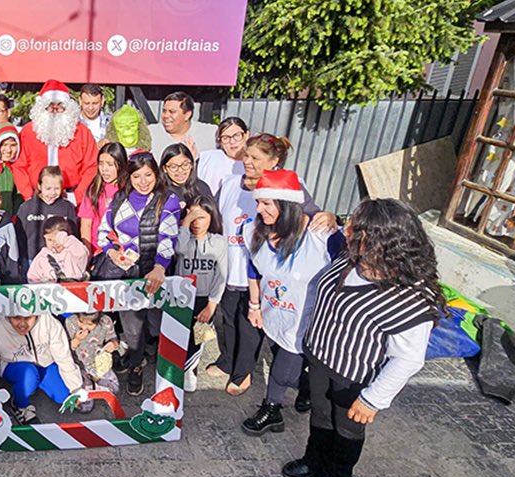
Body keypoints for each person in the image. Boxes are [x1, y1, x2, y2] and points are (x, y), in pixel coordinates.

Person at [282, 199, 443, 477]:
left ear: (381, 239)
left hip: (355, 376)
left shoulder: (409, 298)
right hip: (321, 359)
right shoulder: (351, 257)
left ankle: (337, 474)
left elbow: (408, 359)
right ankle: (314, 460)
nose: (347, 229)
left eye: (355, 227)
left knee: (347, 427)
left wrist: (372, 400)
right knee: (321, 415)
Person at [213, 134, 335, 395]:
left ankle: (248, 373)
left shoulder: (289, 187)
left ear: (274, 161)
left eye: (255, 158)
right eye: (246, 155)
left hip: (270, 275)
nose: (247, 161)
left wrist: (329, 216)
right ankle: (230, 362)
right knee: (230, 319)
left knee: (256, 328)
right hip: (235, 268)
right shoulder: (232, 183)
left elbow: (313, 217)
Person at [241, 170, 344, 437]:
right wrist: (254, 305)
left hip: (308, 319)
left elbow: (350, 266)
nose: (258, 209)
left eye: (266, 203)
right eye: (257, 202)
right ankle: (308, 386)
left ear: (287, 205)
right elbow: (253, 268)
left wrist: (335, 219)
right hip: (273, 313)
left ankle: (272, 409)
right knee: (284, 359)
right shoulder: (254, 231)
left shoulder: (321, 235)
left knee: (283, 371)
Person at [95, 151, 181, 396]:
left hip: (154, 272)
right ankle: (136, 364)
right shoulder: (120, 198)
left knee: (154, 323)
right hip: (126, 272)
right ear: (128, 177)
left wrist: (160, 266)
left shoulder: (168, 200)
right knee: (132, 324)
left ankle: (150, 354)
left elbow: (168, 237)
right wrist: (112, 252)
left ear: (156, 174)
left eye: (148, 175)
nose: (143, 182)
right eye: (136, 176)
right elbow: (103, 232)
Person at [0, 314, 83, 425]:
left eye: (28, 318)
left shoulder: (49, 321)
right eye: (16, 318)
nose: (22, 324)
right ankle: (20, 405)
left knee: (64, 396)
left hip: (45, 363)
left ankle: (34, 384)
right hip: (14, 365)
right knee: (29, 375)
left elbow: (63, 356)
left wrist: (76, 388)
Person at [12, 80, 98, 204]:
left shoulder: (82, 132)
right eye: (50, 105)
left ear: (68, 108)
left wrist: (77, 196)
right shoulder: (28, 132)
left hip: (72, 197)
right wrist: (29, 197)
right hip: (36, 197)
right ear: (42, 107)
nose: (55, 109)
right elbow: (19, 167)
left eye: (60, 105)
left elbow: (92, 166)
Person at [174, 194, 228, 393]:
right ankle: (177, 368)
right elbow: (178, 248)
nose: (197, 223)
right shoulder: (184, 238)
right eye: (192, 217)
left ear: (212, 217)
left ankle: (191, 370)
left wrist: (212, 305)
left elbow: (221, 276)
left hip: (204, 299)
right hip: (181, 296)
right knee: (179, 335)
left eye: (202, 217)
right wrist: (186, 221)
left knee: (197, 337)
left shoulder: (219, 243)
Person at [18, 166, 78, 265]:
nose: (52, 193)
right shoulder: (27, 207)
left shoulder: (67, 207)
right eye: (48, 188)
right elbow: (19, 235)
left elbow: (73, 234)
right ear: (39, 186)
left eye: (57, 188)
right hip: (31, 258)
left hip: (59, 258)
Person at [78, 143, 127, 255]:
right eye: (101, 164)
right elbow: (86, 224)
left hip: (122, 250)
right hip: (97, 251)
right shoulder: (94, 190)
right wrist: (88, 254)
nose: (104, 169)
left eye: (110, 164)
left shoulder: (128, 189)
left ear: (121, 164)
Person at [65, 312, 121, 406]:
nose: (84, 327)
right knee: (85, 405)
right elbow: (65, 349)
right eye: (81, 322)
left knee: (114, 389)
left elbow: (114, 339)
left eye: (89, 325)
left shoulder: (105, 321)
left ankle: (96, 384)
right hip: (79, 365)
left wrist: (113, 344)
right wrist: (77, 340)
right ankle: (88, 384)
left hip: (98, 363)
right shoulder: (71, 322)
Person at [149, 91, 218, 161]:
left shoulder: (211, 133)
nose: (166, 116)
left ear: (187, 115)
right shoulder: (151, 132)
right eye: (164, 111)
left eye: (172, 112)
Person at [28, 216, 90, 283]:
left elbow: (82, 253)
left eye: (57, 239)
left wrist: (65, 239)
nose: (54, 243)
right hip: (51, 288)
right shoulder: (42, 257)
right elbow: (32, 277)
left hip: (74, 287)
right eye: (50, 240)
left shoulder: (73, 253)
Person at [197, 117, 248, 195]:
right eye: (225, 138)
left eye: (237, 135)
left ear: (246, 135)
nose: (232, 141)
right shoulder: (207, 159)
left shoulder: (254, 163)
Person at [160, 143, 212, 210]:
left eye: (185, 165)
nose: (180, 170)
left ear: (191, 165)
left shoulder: (201, 188)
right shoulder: (160, 192)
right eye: (173, 167)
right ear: (164, 168)